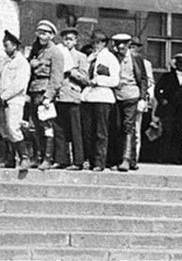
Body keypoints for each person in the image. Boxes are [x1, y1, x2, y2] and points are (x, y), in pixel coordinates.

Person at [26, 20, 65, 170]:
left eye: (45, 33)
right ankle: (38, 156)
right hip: (34, 90)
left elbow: (57, 77)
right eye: (40, 32)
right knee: (34, 126)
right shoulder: (36, 50)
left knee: (47, 126)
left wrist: (49, 96)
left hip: (45, 92)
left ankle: (48, 158)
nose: (42, 35)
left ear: (52, 35)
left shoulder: (55, 52)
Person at [79, 31, 119, 171]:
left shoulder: (110, 58)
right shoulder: (90, 58)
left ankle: (100, 162)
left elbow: (115, 80)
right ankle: (89, 159)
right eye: (94, 43)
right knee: (88, 131)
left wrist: (98, 80)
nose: (96, 45)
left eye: (99, 42)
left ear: (104, 43)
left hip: (103, 97)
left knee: (101, 132)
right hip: (88, 97)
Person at [110, 34, 148, 172]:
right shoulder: (112, 57)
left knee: (128, 126)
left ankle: (126, 159)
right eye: (118, 43)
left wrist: (142, 98)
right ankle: (121, 159)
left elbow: (143, 79)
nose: (121, 46)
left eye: (124, 43)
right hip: (115, 96)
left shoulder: (136, 58)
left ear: (129, 44)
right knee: (117, 126)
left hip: (131, 95)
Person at [0, 30, 31, 170]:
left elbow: (19, 85)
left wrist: (4, 96)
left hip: (14, 100)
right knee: (5, 130)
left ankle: (24, 157)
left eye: (7, 45)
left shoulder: (22, 63)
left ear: (15, 46)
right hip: (3, 101)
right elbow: (0, 80)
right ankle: (10, 159)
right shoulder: (7, 62)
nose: (5, 49)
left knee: (13, 127)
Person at [156, 53, 182, 163]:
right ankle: (163, 157)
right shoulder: (167, 76)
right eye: (179, 63)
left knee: (179, 133)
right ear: (176, 64)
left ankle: (176, 157)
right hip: (169, 109)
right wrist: (162, 100)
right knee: (167, 132)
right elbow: (157, 90)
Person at [53, 27, 87, 170]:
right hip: (59, 95)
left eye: (71, 39)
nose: (68, 42)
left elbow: (85, 79)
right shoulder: (58, 54)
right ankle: (61, 159)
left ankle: (78, 161)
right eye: (65, 39)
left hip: (73, 96)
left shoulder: (80, 57)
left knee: (75, 130)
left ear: (76, 41)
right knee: (59, 129)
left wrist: (72, 72)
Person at [129, 39, 157, 165]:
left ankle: (135, 157)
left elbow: (149, 82)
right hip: (125, 97)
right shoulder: (122, 60)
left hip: (138, 97)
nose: (133, 49)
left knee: (136, 130)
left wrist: (144, 98)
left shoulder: (145, 63)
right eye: (131, 46)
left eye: (135, 47)